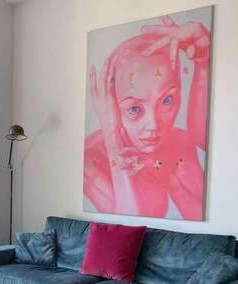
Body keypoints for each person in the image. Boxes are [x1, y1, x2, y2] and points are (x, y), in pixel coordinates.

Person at [84, 15, 210, 220]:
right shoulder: (92, 159)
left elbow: (201, 218)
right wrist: (113, 140)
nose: (153, 125)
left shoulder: (178, 145)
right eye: (134, 109)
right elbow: (124, 226)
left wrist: (203, 63)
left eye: (167, 100)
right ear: (110, 105)